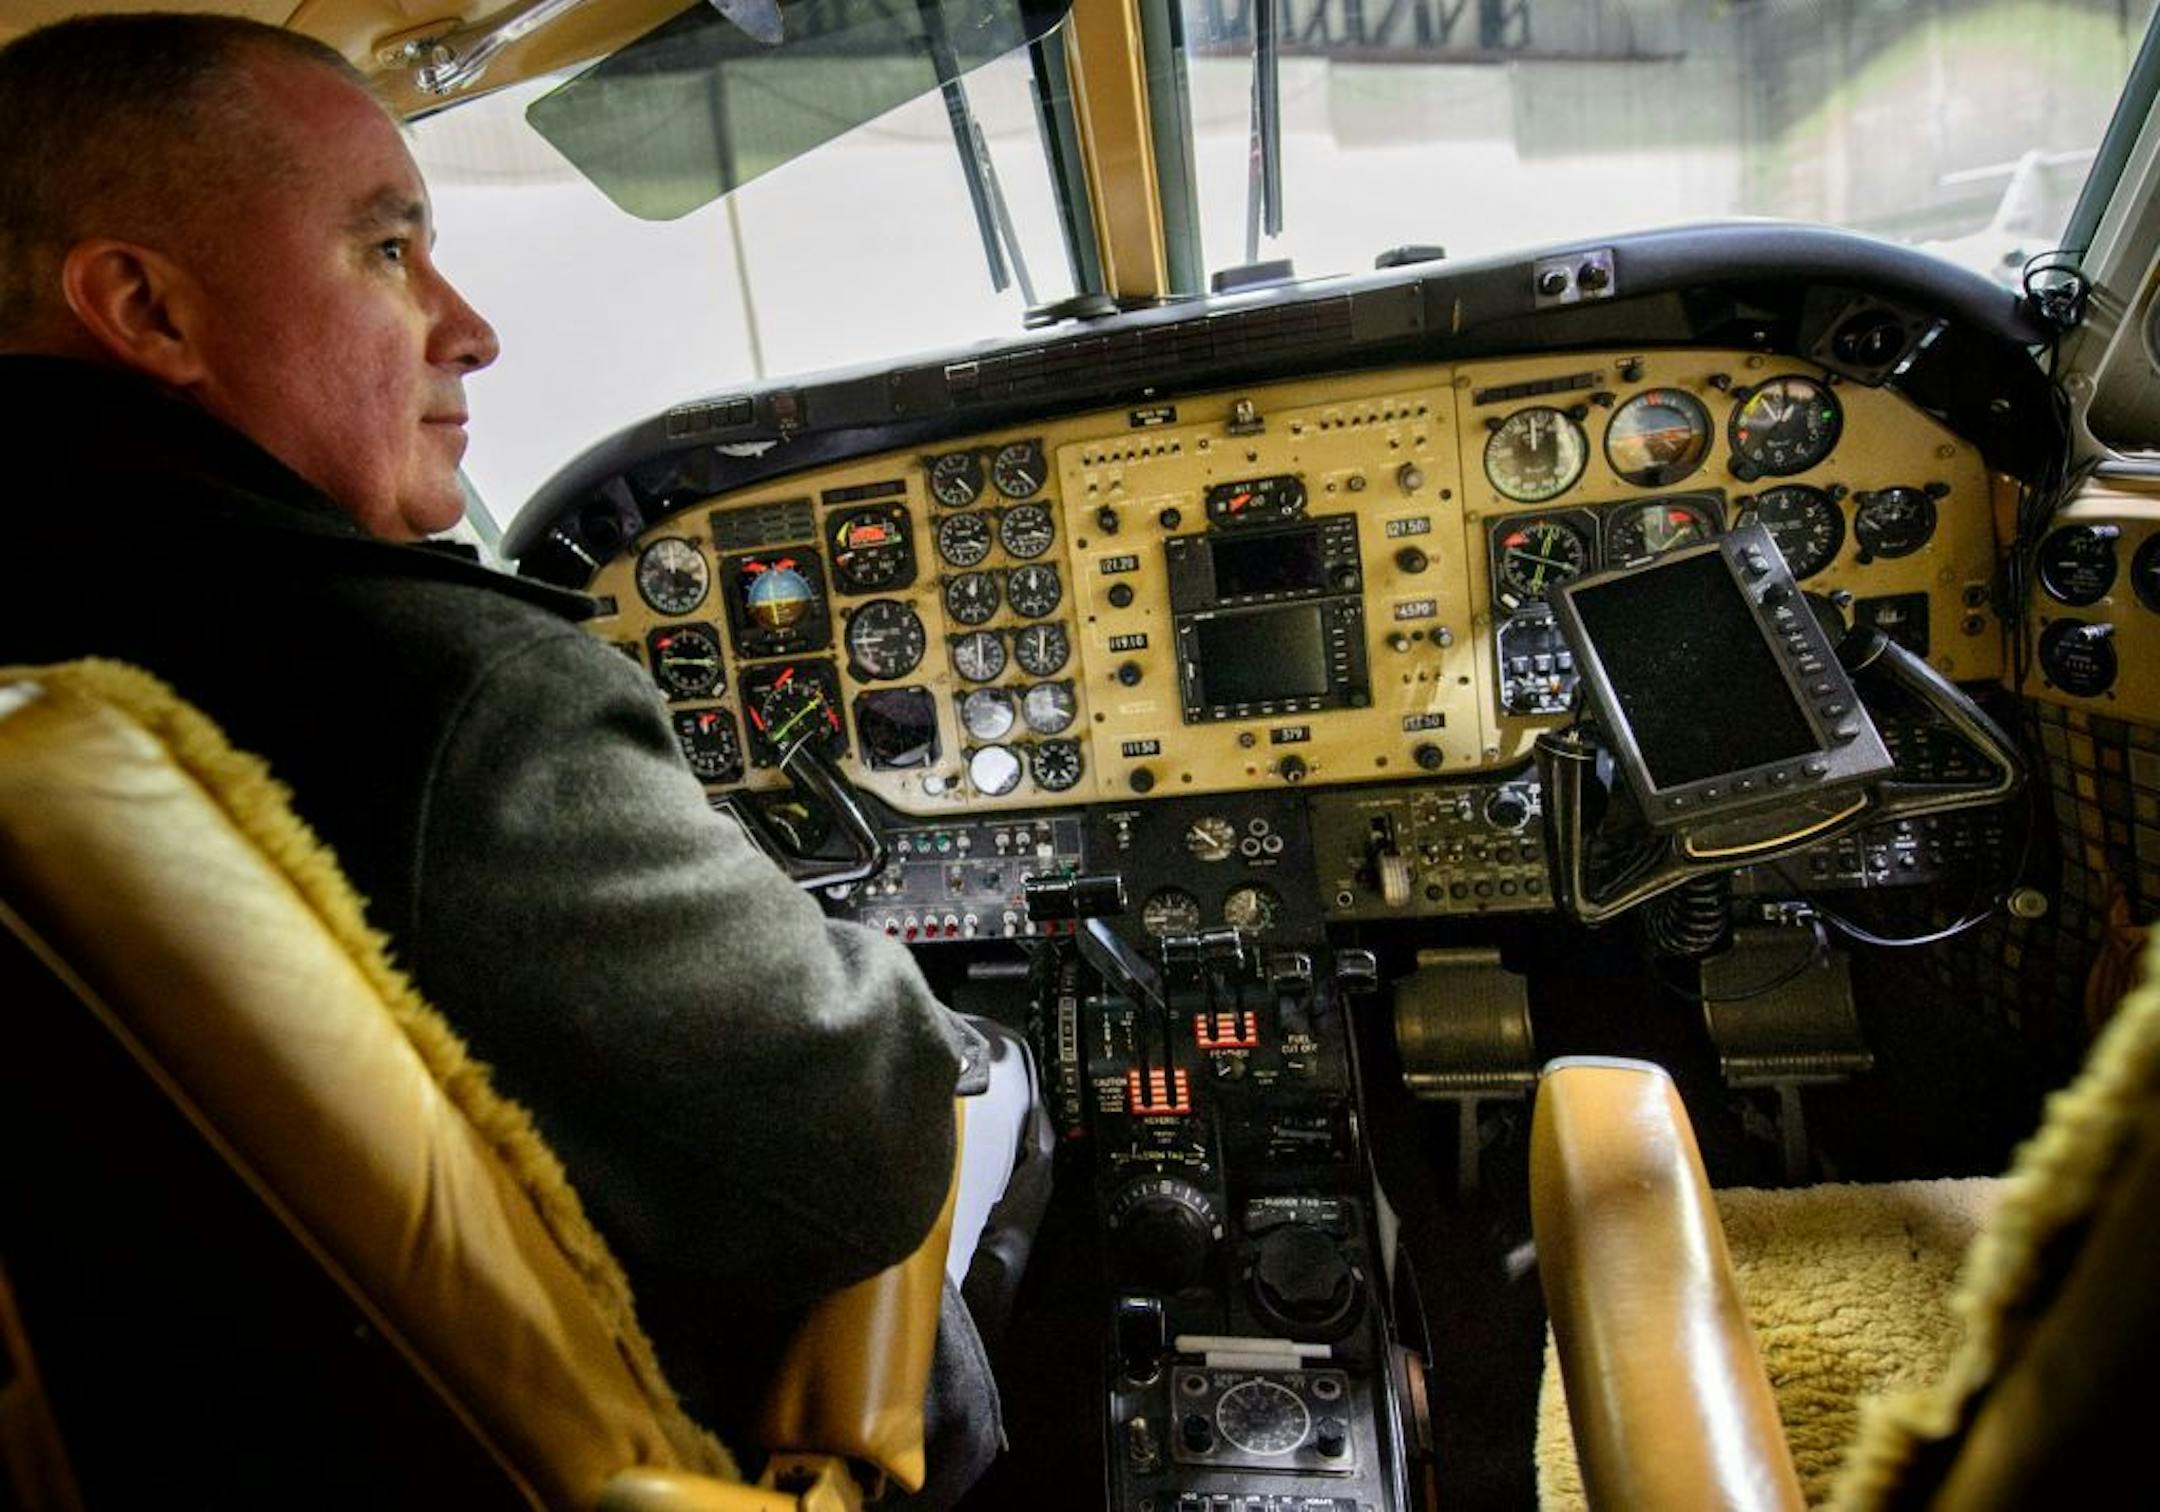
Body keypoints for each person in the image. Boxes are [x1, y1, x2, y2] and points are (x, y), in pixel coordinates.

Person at [0, 12, 1042, 1503]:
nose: (469, 326)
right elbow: (860, 1137)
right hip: (656, 1449)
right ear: (145, 311)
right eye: (386, 251)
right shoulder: (448, 700)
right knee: (981, 1085)